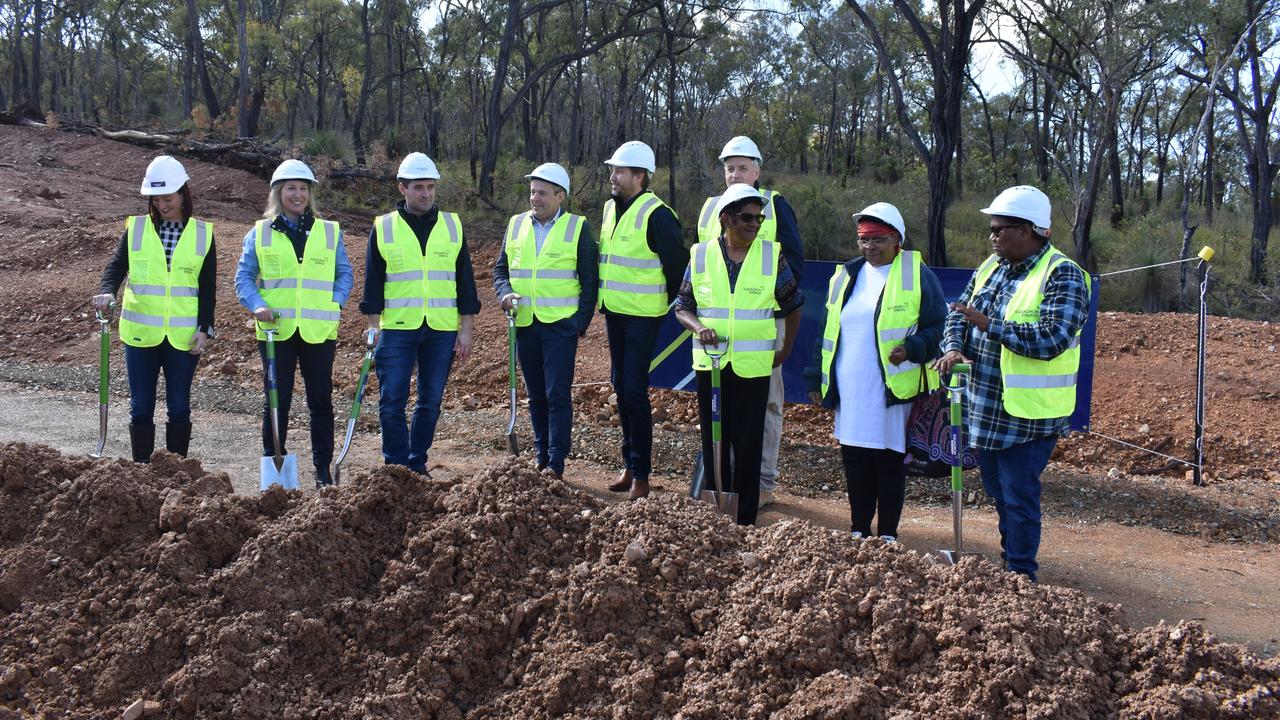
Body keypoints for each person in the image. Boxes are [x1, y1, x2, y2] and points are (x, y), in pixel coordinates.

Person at [933, 185, 1090, 582]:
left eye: (1001, 229)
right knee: (998, 492)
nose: (993, 236)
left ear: (1029, 230)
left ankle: (1021, 575)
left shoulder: (1063, 274)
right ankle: (1010, 563)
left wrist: (990, 325)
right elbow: (957, 314)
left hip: (1029, 415)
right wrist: (953, 348)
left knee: (1018, 496)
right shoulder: (991, 267)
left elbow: (1053, 337)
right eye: (992, 229)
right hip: (985, 409)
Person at [805, 202, 945, 541]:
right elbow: (827, 328)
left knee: (888, 459)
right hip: (850, 385)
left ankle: (887, 533)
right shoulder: (846, 275)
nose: (870, 248)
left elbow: (940, 324)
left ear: (897, 239)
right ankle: (858, 528)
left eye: (878, 240)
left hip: (891, 389)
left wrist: (914, 348)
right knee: (854, 458)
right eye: (863, 240)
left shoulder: (916, 274)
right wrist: (814, 376)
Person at [674, 184, 802, 525]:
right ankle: (716, 510)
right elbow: (682, 306)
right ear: (726, 218)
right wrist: (698, 327)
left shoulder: (771, 256)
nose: (755, 224)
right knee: (714, 437)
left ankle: (744, 518)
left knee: (748, 443)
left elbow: (793, 305)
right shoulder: (700, 255)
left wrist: (784, 350)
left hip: (754, 367)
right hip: (711, 364)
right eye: (747, 218)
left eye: (758, 219)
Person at [696, 136, 804, 509]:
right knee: (719, 411)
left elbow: (795, 265)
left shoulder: (774, 206)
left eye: (743, 167)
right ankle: (722, 486)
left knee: (766, 407)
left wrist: (770, 312)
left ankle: (762, 484)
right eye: (729, 168)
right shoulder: (712, 208)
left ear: (757, 170)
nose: (735, 173)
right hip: (717, 331)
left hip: (763, 322)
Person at [235, 159, 353, 488]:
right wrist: (257, 304)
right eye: (291, 188)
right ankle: (275, 465)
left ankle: (322, 469)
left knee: (320, 401)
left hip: (318, 330)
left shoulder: (328, 232)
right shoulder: (260, 233)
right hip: (276, 331)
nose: (297, 194)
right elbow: (243, 277)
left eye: (303, 188)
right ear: (278, 192)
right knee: (276, 399)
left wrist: (336, 300)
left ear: (310, 193)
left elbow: (345, 272)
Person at [360, 152, 479, 477]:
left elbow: (465, 283)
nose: (426, 194)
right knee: (392, 399)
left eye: (430, 187)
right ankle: (396, 468)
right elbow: (373, 284)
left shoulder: (452, 226)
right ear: (402, 188)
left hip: (440, 329)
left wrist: (465, 328)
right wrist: (373, 327)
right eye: (418, 187)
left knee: (430, 402)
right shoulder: (383, 228)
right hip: (396, 328)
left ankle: (417, 463)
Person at [92, 155, 216, 462]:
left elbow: (208, 288)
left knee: (178, 406)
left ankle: (176, 470)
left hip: (183, 335)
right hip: (141, 335)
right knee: (141, 405)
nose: (162, 205)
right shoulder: (136, 230)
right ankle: (142, 468)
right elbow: (115, 268)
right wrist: (107, 292)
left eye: (168, 198)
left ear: (183, 194)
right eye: (156, 199)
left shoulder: (203, 234)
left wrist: (205, 328)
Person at [493, 162, 599, 480]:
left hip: (559, 326)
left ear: (560, 195)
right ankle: (540, 454)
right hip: (525, 323)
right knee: (536, 394)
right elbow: (500, 271)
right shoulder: (515, 225)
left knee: (556, 394)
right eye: (532, 192)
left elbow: (590, 281)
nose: (535, 198)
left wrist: (579, 322)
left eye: (541, 192)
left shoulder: (578, 228)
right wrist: (504, 293)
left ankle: (556, 460)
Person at [598, 141, 688, 500]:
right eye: (614, 170)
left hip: (642, 318)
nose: (612, 176)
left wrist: (661, 304)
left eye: (619, 171)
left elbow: (677, 268)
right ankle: (629, 466)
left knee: (634, 392)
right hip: (614, 313)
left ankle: (642, 476)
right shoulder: (609, 208)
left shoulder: (659, 215)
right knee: (620, 388)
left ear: (640, 176)